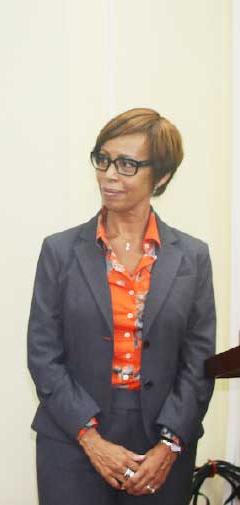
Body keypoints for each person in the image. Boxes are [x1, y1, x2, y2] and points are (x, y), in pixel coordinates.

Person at [27, 108, 215, 504]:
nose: (109, 175)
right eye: (103, 159)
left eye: (127, 165)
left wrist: (170, 444)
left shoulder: (193, 257)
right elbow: (44, 355)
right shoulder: (59, 252)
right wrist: (91, 439)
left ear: (161, 176)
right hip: (73, 436)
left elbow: (199, 362)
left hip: (161, 442)